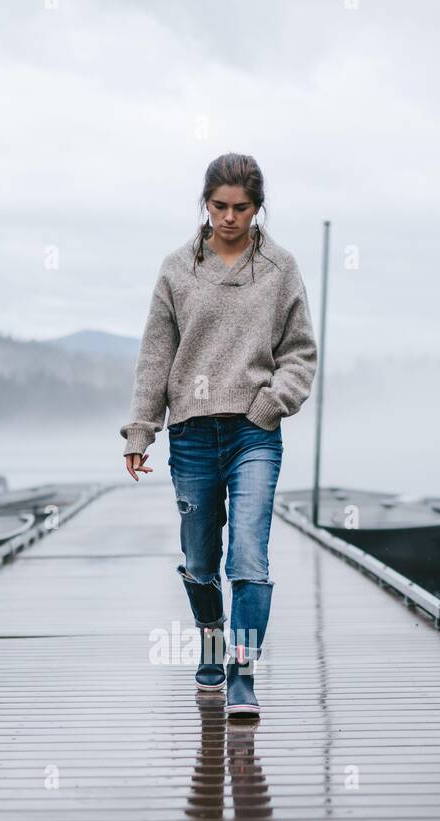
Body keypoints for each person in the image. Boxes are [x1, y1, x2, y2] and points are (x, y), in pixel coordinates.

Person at [120, 152, 318, 717]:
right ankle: (210, 643)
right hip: (190, 435)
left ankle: (242, 672)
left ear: (258, 209)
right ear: (205, 204)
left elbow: (300, 352)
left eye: (242, 208)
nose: (229, 217)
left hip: (254, 432)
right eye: (219, 206)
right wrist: (141, 432)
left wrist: (272, 403)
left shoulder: (280, 269)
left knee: (249, 557)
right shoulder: (176, 269)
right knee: (200, 559)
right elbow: (155, 357)